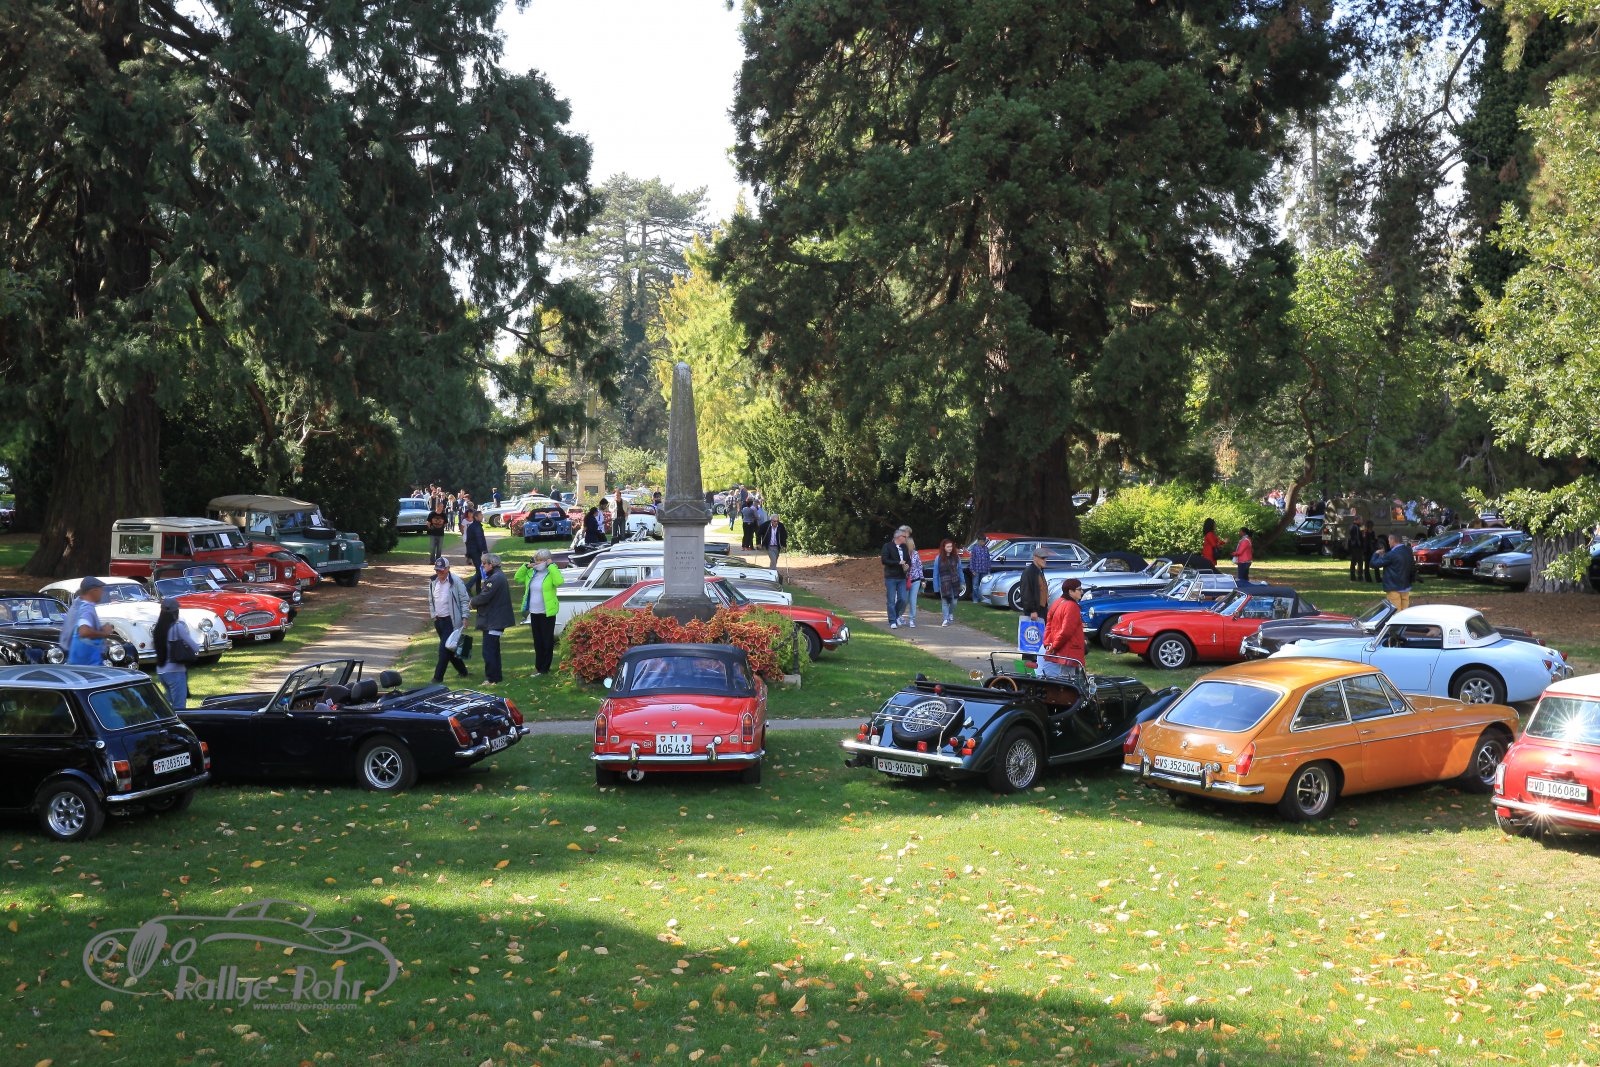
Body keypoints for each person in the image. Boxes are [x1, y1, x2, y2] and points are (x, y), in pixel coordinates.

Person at [514, 549, 565, 676]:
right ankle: (538, 667)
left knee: (547, 641)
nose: (537, 562)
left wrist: (551, 566)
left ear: (547, 561)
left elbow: (559, 581)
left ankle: (545, 668)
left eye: (541, 560)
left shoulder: (551, 572)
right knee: (538, 641)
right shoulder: (532, 572)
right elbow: (517, 578)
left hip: (547, 612)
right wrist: (526, 566)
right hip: (534, 612)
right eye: (536, 560)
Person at [469, 553, 513, 685]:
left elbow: (484, 596)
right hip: (494, 619)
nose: (482, 566)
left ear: (491, 564)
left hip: (493, 620)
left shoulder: (495, 578)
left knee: (489, 651)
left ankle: (491, 678)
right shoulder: (497, 576)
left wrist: (472, 602)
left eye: (484, 564)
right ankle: (496, 677)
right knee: (493, 650)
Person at [427, 557, 471, 683]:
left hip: (451, 621)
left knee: (444, 650)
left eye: (441, 570)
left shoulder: (456, 581)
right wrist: (434, 615)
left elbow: (464, 600)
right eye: (437, 570)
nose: (439, 572)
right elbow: (431, 600)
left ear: (448, 569)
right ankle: (463, 672)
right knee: (450, 648)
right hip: (439, 621)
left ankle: (437, 678)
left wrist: (465, 617)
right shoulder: (433, 582)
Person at [153, 598, 200, 708]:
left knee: (168, 706)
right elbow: (195, 647)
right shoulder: (177, 627)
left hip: (161, 671)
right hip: (176, 670)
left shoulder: (157, 628)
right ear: (176, 612)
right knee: (179, 706)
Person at [60, 577, 115, 665]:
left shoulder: (77, 605)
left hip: (76, 662)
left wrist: (100, 628)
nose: (102, 593)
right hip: (88, 665)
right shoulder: (87, 608)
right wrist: (104, 633)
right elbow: (84, 632)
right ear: (93, 591)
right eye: (101, 590)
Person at [1040, 578, 1087, 680]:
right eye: (1079, 589)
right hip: (1069, 650)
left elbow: (1048, 625)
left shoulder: (1057, 602)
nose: (1082, 592)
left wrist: (1048, 643)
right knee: (1068, 681)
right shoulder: (1072, 606)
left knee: (1058, 678)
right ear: (1070, 591)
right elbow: (1066, 631)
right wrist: (1054, 646)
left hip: (1059, 648)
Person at [1372, 535, 1416, 611]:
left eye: (1389, 540)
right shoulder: (1408, 551)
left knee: (1395, 612)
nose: (1388, 542)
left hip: (1393, 587)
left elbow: (1374, 564)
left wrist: (1376, 554)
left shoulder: (1391, 554)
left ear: (1393, 540)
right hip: (1406, 586)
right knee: (1404, 612)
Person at [881, 527, 911, 628]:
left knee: (903, 599)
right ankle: (892, 621)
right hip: (891, 577)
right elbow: (884, 560)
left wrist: (907, 565)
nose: (906, 538)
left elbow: (908, 560)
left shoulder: (904, 547)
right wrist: (898, 563)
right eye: (904, 537)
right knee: (891, 600)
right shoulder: (887, 546)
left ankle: (896, 615)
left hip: (902, 577)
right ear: (898, 537)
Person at [933, 538, 962, 626]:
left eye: (951, 546)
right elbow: (935, 574)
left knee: (954, 602)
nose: (950, 548)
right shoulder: (938, 558)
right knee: (945, 602)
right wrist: (936, 587)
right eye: (948, 547)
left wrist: (963, 582)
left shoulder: (957, 557)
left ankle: (950, 613)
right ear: (944, 547)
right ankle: (945, 619)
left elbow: (960, 570)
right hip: (944, 584)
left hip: (955, 583)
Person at [1019, 546, 1050, 623]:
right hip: (1034, 611)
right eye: (1042, 558)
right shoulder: (1029, 572)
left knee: (1043, 629)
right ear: (1035, 558)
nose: (1045, 560)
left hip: (1042, 609)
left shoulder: (1039, 570)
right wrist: (1032, 610)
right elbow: (1026, 593)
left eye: (1045, 558)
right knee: (1033, 630)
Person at [462, 507, 488, 594]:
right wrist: (484, 551)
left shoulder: (475, 526)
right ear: (476, 517)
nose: (482, 516)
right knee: (480, 571)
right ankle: (468, 586)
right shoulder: (476, 527)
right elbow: (479, 540)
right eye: (480, 515)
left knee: (479, 570)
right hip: (476, 551)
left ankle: (478, 590)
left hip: (474, 551)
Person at [904, 537, 924, 628]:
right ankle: (899, 616)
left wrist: (922, 579)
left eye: (913, 544)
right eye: (912, 544)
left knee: (913, 600)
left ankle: (912, 619)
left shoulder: (916, 554)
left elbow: (919, 567)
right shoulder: (903, 554)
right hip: (905, 580)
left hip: (916, 580)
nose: (913, 546)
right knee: (904, 600)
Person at [967, 536, 991, 603]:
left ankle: (983, 599)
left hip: (984, 570)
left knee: (984, 585)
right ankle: (975, 599)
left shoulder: (986, 549)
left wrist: (989, 570)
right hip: (976, 570)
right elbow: (972, 560)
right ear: (978, 541)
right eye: (981, 541)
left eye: (983, 541)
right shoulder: (974, 549)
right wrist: (972, 570)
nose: (982, 543)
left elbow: (988, 560)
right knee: (975, 585)